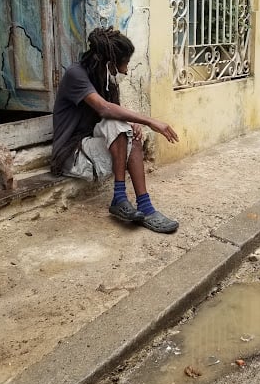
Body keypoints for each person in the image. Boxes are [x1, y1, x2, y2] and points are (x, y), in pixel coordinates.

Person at [51, 27, 180, 233]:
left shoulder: (107, 80)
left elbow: (114, 115)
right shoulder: (76, 74)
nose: (126, 70)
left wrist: (133, 124)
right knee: (121, 126)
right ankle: (119, 197)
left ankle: (145, 206)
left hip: (93, 147)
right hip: (71, 154)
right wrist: (150, 121)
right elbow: (104, 109)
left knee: (133, 132)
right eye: (125, 63)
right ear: (110, 62)